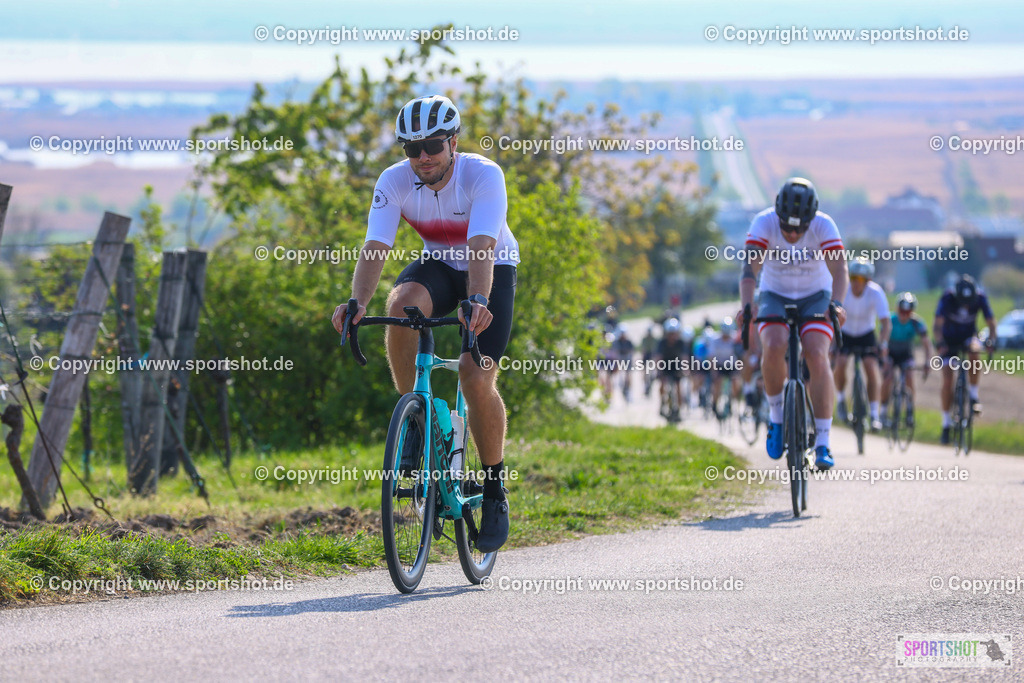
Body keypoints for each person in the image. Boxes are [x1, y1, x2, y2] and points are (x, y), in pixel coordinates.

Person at [331, 94, 518, 552]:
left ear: (453, 141)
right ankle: (415, 416)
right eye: (411, 149)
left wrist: (477, 299)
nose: (423, 158)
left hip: (489, 266)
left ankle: (494, 488)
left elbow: (481, 242)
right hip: (436, 263)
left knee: (476, 378)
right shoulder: (394, 181)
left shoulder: (483, 175)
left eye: (432, 145)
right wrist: (356, 302)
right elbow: (376, 245)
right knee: (402, 302)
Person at [738, 177, 848, 469]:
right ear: (777, 216)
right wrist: (747, 307)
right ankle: (776, 418)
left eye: (799, 228)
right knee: (773, 345)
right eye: (786, 226)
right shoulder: (763, 222)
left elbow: (839, 269)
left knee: (816, 352)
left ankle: (823, 441)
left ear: (811, 220)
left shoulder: (825, 225)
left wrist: (836, 304)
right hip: (775, 293)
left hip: (817, 294)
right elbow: (750, 268)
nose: (792, 232)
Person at [934, 274, 997, 444]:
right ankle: (946, 424)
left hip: (969, 337)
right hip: (949, 340)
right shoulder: (947, 298)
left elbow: (991, 322)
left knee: (975, 352)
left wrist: (992, 340)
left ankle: (974, 395)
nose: (965, 306)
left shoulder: (980, 297)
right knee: (947, 381)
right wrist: (940, 342)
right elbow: (938, 325)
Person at [833, 257, 891, 432]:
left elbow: (886, 322)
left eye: (860, 280)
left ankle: (874, 414)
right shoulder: (844, 291)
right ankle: (841, 400)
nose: (856, 283)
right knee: (841, 363)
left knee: (871, 367)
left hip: (866, 333)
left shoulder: (876, 292)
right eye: (853, 278)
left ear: (868, 281)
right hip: (846, 332)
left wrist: (883, 344)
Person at [881, 292, 933, 426]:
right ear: (897, 309)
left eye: (907, 311)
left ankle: (910, 410)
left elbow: (927, 344)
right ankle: (883, 410)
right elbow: (881, 341)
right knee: (888, 378)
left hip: (906, 354)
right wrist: (884, 359)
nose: (904, 314)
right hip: (890, 353)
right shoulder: (890, 320)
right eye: (902, 311)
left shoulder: (917, 323)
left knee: (909, 376)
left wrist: (928, 362)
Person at [656, 318, 688, 421]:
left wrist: (685, 368)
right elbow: (659, 357)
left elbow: (684, 357)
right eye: (670, 334)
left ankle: (678, 408)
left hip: (676, 366)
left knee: (678, 387)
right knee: (662, 385)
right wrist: (659, 370)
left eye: (674, 334)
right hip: (665, 365)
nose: (672, 336)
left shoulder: (681, 343)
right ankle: (662, 402)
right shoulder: (662, 343)